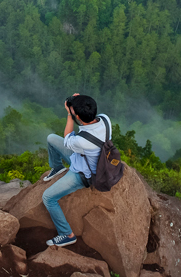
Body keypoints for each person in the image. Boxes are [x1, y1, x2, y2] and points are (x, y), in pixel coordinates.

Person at [41, 93, 110, 247]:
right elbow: (87, 121)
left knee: (48, 198)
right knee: (51, 138)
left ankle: (66, 234)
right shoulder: (105, 119)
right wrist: (81, 101)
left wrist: (69, 115)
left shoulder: (82, 141)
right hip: (83, 155)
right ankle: (57, 167)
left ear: (78, 117)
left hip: (82, 174)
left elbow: (67, 138)